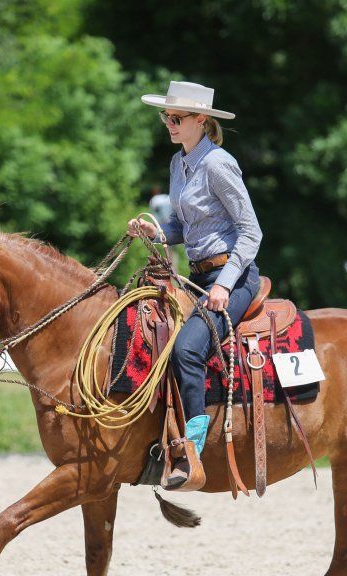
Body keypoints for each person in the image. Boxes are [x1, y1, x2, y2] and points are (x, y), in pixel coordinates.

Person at [127, 81, 263, 490]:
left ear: (201, 120)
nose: (169, 123)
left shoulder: (219, 164)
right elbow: (184, 228)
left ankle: (192, 451)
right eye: (166, 117)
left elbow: (251, 231)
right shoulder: (177, 164)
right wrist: (156, 233)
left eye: (177, 118)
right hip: (197, 277)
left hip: (232, 278)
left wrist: (224, 284)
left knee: (187, 348)